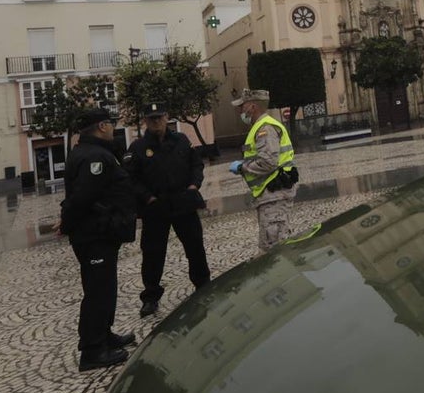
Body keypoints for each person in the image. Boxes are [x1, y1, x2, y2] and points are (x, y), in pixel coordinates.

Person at [58, 107, 137, 372]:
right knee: (97, 290)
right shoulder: (94, 156)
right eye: (111, 123)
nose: (113, 127)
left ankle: (104, 334)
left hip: (102, 232)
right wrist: (67, 223)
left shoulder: (91, 152)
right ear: (102, 126)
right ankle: (92, 350)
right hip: (94, 234)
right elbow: (82, 198)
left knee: (105, 286)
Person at [125, 101, 210, 318]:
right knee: (153, 254)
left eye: (160, 117)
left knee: (195, 247)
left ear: (167, 117)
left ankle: (203, 285)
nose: (156, 122)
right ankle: (151, 297)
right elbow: (131, 179)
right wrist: (148, 197)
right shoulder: (137, 148)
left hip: (183, 203)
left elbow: (196, 164)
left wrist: (194, 185)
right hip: (156, 208)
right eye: (152, 119)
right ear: (145, 121)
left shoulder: (181, 140)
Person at [228, 89, 298, 252]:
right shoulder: (261, 126)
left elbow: (268, 162)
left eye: (242, 106)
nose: (240, 111)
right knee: (273, 243)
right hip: (270, 194)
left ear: (252, 107)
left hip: (274, 194)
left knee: (274, 249)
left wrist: (241, 167)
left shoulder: (264, 129)